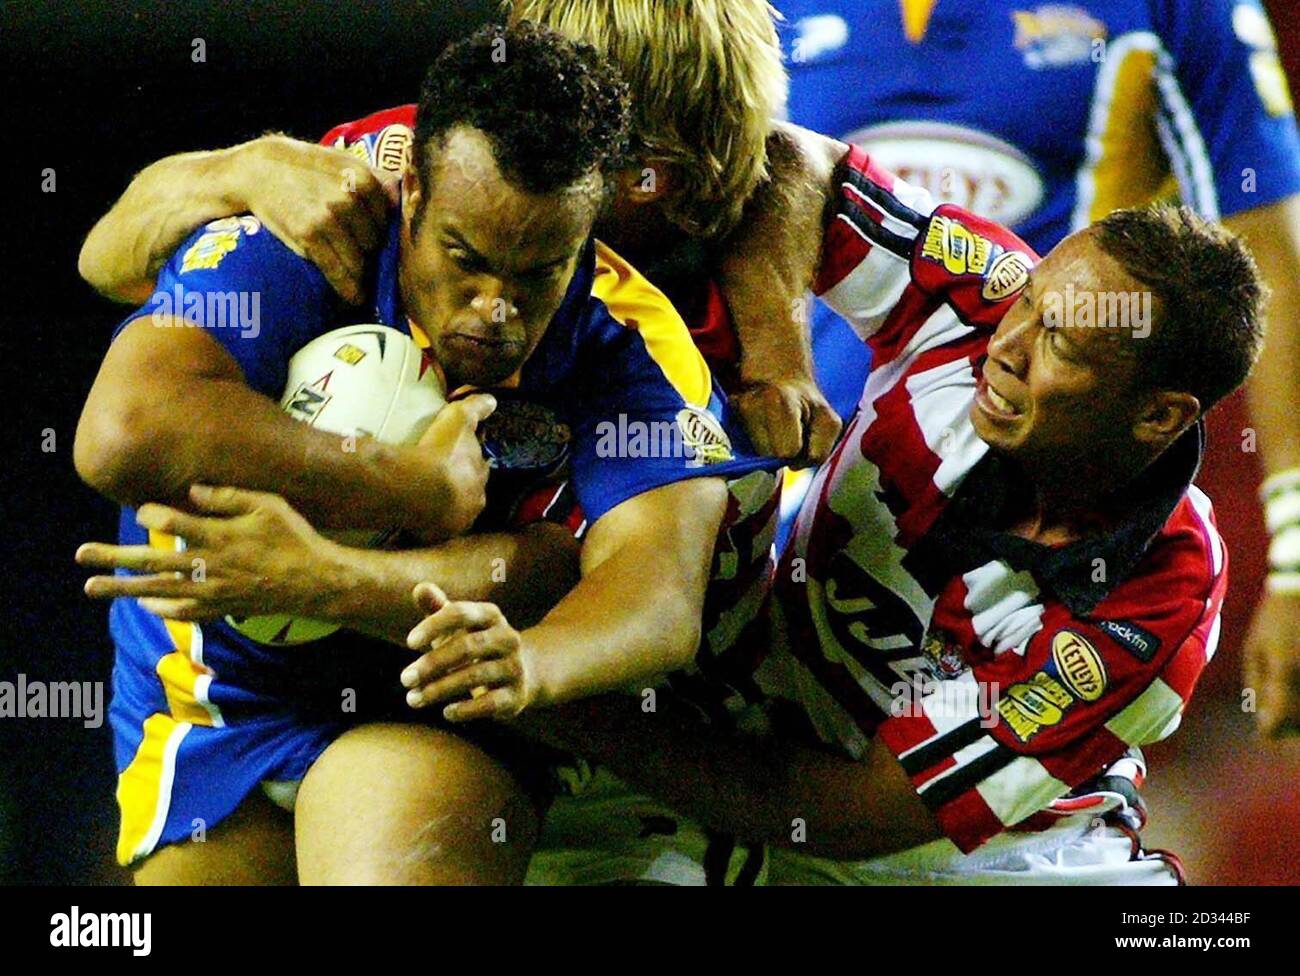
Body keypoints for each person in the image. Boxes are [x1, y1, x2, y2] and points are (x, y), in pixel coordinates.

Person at [85, 133, 1261, 884]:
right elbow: (795, 167)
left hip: (944, 851)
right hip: (717, 743)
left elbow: (837, 815)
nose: (1013, 340)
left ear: (1158, 417)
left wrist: (537, 683)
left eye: (1062, 346)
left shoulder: (1148, 605)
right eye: (1033, 300)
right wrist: (778, 351)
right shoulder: (989, 294)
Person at [73, 22, 776, 885]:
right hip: (215, 686)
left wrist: (529, 657)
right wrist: (397, 483)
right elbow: (121, 433)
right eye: (466, 260)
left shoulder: (634, 343)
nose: (496, 309)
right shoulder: (317, 211)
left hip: (431, 697)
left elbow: (656, 599)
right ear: (411, 199)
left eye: (537, 274)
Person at [777, 0, 1300, 734]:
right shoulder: (753, 12)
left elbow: (1267, 256)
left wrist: (1297, 554)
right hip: (800, 488)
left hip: (1032, 547)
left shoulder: (1175, 9)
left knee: (968, 818)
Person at [77, 0, 841, 469]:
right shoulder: (410, 169)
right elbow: (106, 261)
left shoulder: (739, 200)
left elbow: (799, 158)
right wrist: (239, 169)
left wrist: (779, 356)